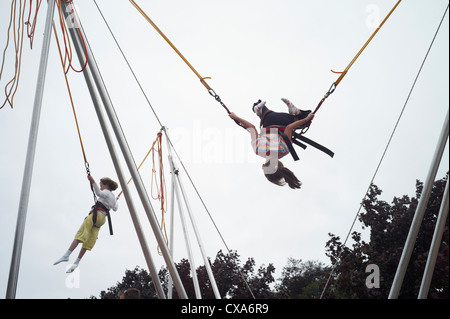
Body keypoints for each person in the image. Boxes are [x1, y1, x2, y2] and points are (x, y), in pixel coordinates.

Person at [229, 98, 314, 189]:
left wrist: (307, 119)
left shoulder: (284, 150)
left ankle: (296, 112)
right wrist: (236, 117)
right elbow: (252, 128)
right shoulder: (258, 150)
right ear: (263, 166)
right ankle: (258, 109)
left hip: (284, 120)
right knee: (258, 108)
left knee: (303, 120)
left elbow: (289, 128)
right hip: (268, 120)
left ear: (280, 164)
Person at [53, 175, 119, 273]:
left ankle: (67, 255)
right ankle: (77, 262)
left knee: (81, 234)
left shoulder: (106, 192)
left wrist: (92, 181)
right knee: (89, 240)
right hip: (101, 220)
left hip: (95, 216)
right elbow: (115, 208)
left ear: (107, 185)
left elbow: (98, 193)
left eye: (101, 185)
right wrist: (116, 200)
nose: (100, 187)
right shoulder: (112, 197)